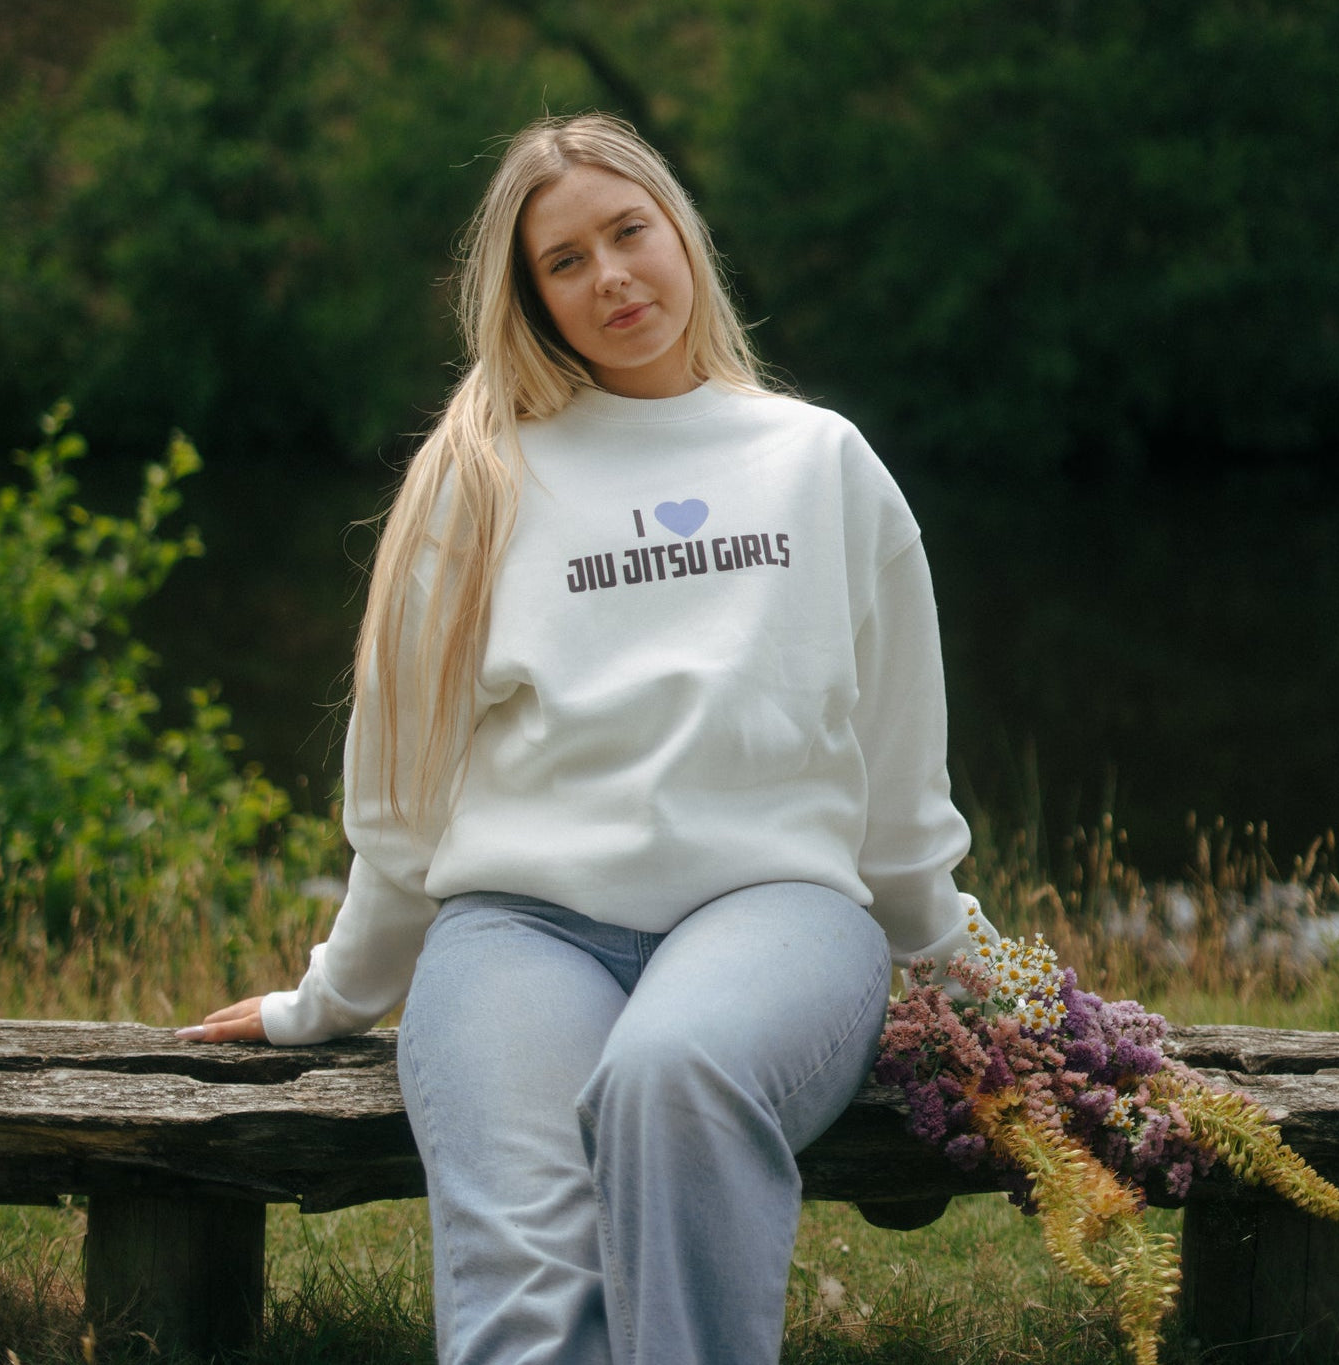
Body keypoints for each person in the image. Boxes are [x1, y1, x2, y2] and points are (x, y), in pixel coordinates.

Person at [179, 111, 994, 1365]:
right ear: (534, 298)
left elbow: (896, 782)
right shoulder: (482, 476)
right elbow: (403, 802)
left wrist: (984, 983)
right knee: (530, 1269)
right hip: (520, 930)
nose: (611, 277)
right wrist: (328, 1000)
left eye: (630, 232)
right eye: (566, 261)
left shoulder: (822, 464)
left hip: (775, 913)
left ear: (682, 234)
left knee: (671, 1075)